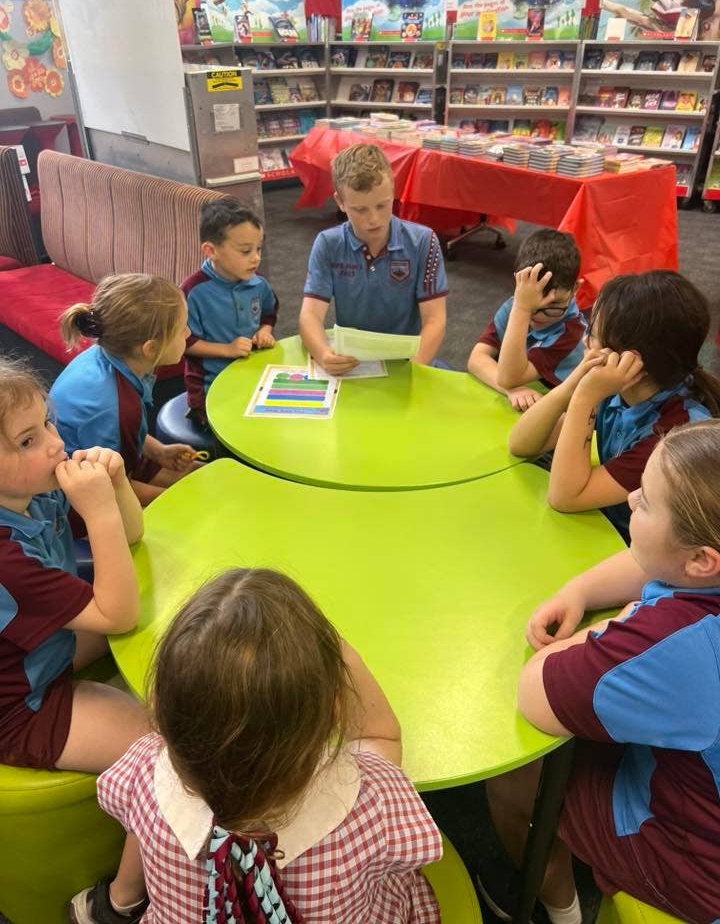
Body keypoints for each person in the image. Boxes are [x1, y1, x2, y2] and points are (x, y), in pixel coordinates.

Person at [70, 568, 443, 924]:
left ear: (157, 706)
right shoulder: (367, 803)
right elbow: (381, 736)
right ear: (334, 712)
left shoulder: (144, 770)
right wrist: (335, 649)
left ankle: (116, 906)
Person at [484, 419, 720, 924]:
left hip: (693, 867)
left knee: (515, 770)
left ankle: (560, 908)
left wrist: (618, 621)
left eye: (648, 502)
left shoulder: (679, 646)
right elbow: (659, 564)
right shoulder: (701, 569)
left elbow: (537, 691)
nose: (631, 498)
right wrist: (580, 593)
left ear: (702, 559)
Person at [0, 358, 148, 776]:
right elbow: (118, 615)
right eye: (27, 441)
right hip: (20, 708)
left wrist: (116, 486)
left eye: (48, 423)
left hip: (50, 646)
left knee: (166, 630)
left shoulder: (36, 494)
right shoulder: (8, 563)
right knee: (163, 743)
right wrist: (100, 512)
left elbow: (132, 534)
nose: (54, 443)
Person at [508, 270, 720, 539]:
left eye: (593, 335)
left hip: (640, 552)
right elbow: (521, 443)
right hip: (602, 527)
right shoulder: (617, 389)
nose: (585, 341)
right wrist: (572, 385)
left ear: (632, 362)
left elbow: (564, 497)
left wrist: (584, 398)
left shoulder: (672, 435)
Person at [298, 143, 448, 376]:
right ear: (340, 202)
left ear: (393, 191)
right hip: (354, 363)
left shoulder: (424, 242)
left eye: (382, 204)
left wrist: (414, 369)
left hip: (409, 360)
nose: (374, 219)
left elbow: (435, 320)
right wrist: (323, 354)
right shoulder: (328, 244)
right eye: (360, 210)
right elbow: (310, 315)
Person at [49, 273, 196, 507]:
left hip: (101, 463)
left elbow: (118, 434)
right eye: (181, 329)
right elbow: (115, 492)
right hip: (74, 501)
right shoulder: (115, 405)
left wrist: (158, 451)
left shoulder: (107, 356)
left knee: (201, 475)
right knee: (201, 495)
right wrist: (183, 500)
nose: (188, 333)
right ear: (151, 348)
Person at [182, 199, 278, 427]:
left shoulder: (258, 284)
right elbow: (184, 343)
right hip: (210, 390)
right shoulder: (192, 292)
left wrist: (264, 331)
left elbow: (268, 312)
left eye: (258, 249)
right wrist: (227, 350)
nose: (255, 257)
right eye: (245, 251)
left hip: (253, 379)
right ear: (211, 251)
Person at [468, 229, 586, 412]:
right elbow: (476, 358)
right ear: (520, 283)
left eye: (554, 304)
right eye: (532, 304)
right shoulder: (518, 304)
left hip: (558, 416)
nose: (538, 316)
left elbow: (509, 376)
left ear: (575, 289)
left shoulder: (570, 332)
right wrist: (511, 390)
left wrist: (523, 309)